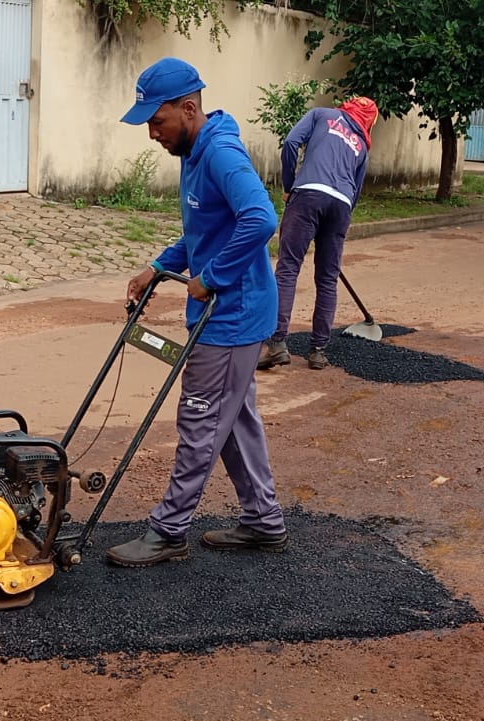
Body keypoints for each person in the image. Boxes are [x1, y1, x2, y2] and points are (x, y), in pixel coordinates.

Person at [108, 57, 288, 567]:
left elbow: (260, 218)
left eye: (157, 121)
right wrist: (157, 267)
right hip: (231, 313)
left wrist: (211, 279)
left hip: (233, 316)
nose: (151, 134)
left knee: (200, 419)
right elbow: (204, 233)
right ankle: (263, 522)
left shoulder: (221, 155)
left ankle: (169, 531)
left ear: (189, 109)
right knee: (232, 420)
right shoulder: (193, 151)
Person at [257, 96, 378, 371]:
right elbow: (356, 192)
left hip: (308, 193)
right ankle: (318, 351)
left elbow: (290, 143)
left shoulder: (321, 115)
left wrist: (289, 184)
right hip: (341, 206)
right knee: (327, 279)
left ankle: (276, 344)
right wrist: (339, 218)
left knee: (288, 268)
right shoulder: (361, 145)